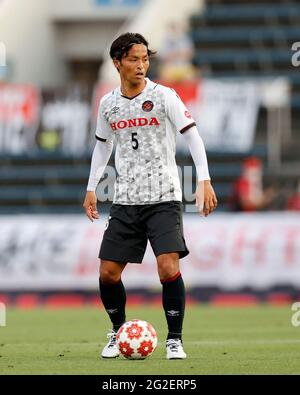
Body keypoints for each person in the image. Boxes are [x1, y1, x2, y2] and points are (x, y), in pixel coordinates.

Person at [83, 32, 217, 360]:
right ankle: (117, 331)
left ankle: (174, 339)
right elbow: (103, 147)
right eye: (134, 59)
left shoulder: (164, 96)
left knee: (167, 267)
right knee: (107, 273)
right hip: (126, 199)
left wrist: (204, 179)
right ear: (117, 63)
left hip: (164, 196)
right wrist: (91, 187)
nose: (141, 65)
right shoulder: (108, 103)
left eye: (145, 59)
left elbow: (193, 136)